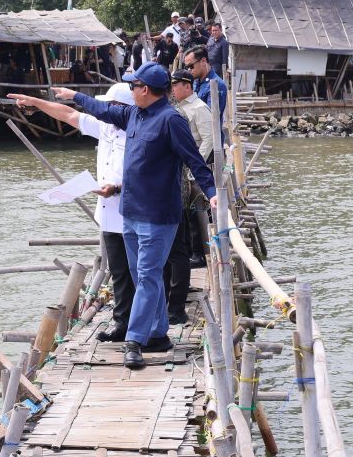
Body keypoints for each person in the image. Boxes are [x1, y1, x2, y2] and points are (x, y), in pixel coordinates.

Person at [17, 63, 217, 369]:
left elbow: (195, 160)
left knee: (149, 275)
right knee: (142, 276)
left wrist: (213, 193)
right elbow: (99, 110)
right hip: (131, 213)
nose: (132, 90)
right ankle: (158, 332)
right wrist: (74, 95)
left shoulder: (171, 121)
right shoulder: (133, 115)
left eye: (134, 85)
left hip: (158, 215)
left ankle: (135, 340)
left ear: (145, 90)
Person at [7, 83, 136, 344]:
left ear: (122, 108)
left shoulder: (139, 131)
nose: (105, 111)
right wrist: (36, 101)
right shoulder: (105, 127)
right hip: (109, 214)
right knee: (120, 271)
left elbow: (149, 175)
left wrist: (118, 188)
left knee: (140, 272)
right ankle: (123, 323)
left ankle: (141, 324)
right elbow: (67, 114)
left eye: (110, 106)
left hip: (135, 212)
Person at [164, 69, 215, 322]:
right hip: (185, 168)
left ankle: (198, 254)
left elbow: (207, 140)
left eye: (176, 85)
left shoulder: (199, 108)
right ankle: (194, 253)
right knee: (190, 215)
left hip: (193, 167)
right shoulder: (179, 108)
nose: (173, 89)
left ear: (186, 85)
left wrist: (197, 167)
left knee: (195, 214)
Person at [183, 48, 227, 123]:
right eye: (186, 67)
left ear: (203, 61)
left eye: (191, 66)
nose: (189, 70)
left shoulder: (217, 85)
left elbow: (209, 118)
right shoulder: (194, 81)